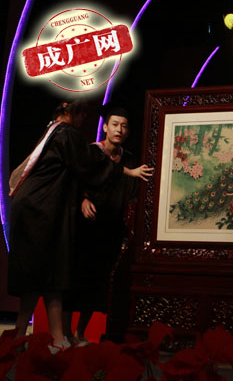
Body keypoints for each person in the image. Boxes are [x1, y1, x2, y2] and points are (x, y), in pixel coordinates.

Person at [7, 101, 153, 352]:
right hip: (42, 210)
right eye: (83, 115)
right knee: (53, 275)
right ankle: (58, 339)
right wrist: (128, 173)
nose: (84, 121)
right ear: (72, 113)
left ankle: (21, 335)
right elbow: (90, 163)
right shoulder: (66, 133)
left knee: (34, 277)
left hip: (34, 207)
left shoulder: (52, 130)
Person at [63, 107, 139, 346]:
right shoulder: (92, 152)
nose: (119, 129)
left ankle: (80, 332)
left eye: (124, 126)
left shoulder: (129, 160)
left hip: (110, 229)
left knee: (97, 282)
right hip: (85, 226)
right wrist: (83, 199)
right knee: (74, 279)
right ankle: (65, 333)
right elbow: (72, 182)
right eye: (115, 124)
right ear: (105, 127)